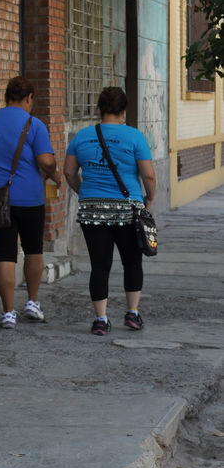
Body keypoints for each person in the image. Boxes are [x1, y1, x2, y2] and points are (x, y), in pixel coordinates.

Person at [63, 86, 157, 336]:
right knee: (132, 262)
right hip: (128, 210)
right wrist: (149, 198)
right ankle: (132, 313)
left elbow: (69, 172)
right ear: (124, 110)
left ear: (99, 108)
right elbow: (148, 175)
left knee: (100, 265)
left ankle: (101, 320)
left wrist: (85, 192)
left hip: (92, 211)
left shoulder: (82, 136)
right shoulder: (134, 136)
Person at [0, 76, 62, 329]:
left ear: (6, 96)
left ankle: (8, 313)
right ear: (29, 98)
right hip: (30, 198)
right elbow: (45, 160)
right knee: (33, 249)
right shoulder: (34, 124)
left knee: (5, 253)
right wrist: (55, 174)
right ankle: (32, 303)